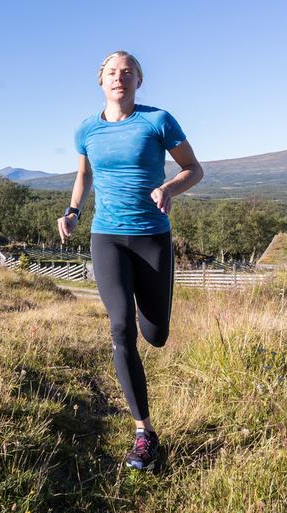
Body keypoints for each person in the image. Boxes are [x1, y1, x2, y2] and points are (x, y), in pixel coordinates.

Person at [58, 51, 203, 471]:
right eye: (111, 72)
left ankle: (147, 318)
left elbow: (194, 169)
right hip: (107, 238)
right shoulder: (86, 129)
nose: (119, 78)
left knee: (155, 334)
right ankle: (144, 433)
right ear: (100, 81)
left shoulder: (158, 121)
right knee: (120, 328)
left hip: (152, 239)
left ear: (139, 80)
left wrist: (170, 188)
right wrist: (73, 211)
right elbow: (83, 175)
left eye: (127, 72)